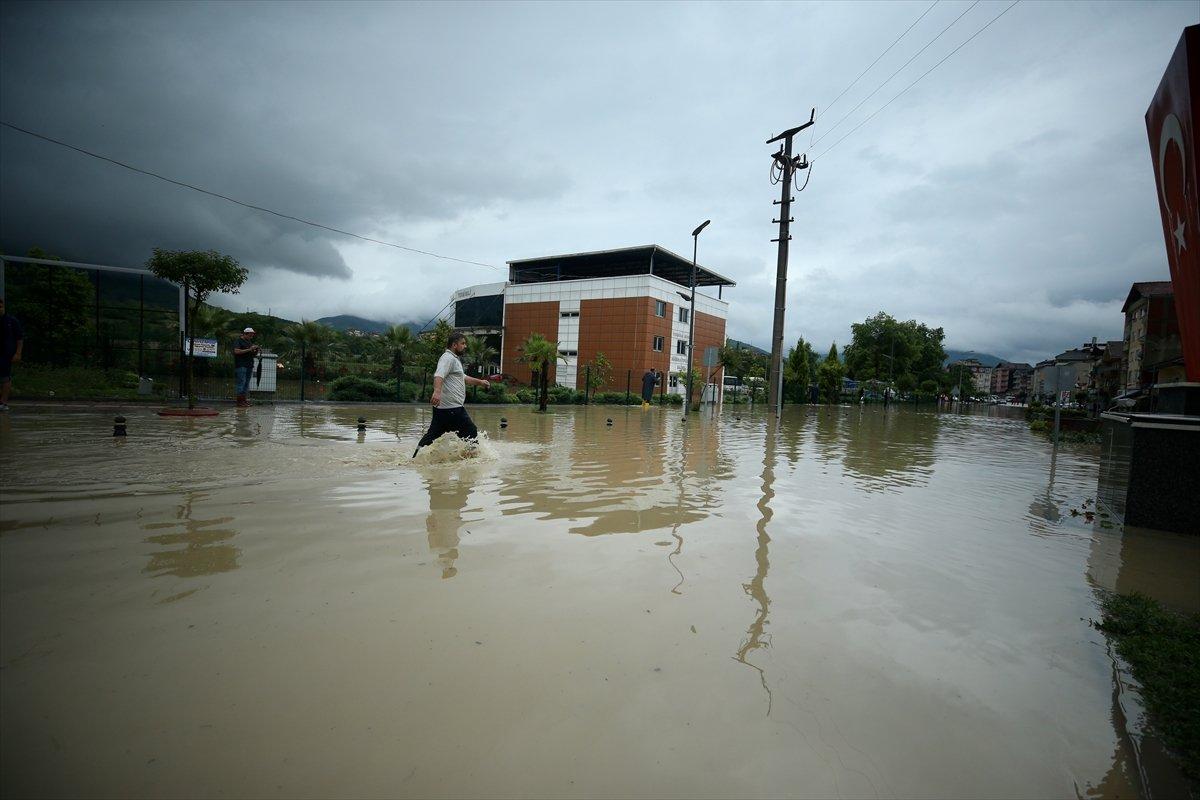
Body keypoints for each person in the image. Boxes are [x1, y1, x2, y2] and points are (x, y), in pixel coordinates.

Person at [414, 332, 490, 455]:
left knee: (432, 436)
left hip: (444, 409)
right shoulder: (447, 358)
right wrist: (437, 392)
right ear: (454, 345)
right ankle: (472, 466)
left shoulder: (453, 359)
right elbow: (439, 375)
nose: (465, 346)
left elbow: (463, 377)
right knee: (471, 432)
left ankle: (415, 458)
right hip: (452, 408)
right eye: (463, 343)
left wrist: (480, 382)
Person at [0, 297, 24, 412]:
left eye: (0, 306)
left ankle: (3, 402)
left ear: (3, 307)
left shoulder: (11, 321)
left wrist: (18, 353)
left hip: (6, 355)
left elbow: (19, 338)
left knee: (5, 378)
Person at [232, 327, 260, 407]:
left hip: (249, 365)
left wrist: (256, 350)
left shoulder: (249, 342)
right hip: (241, 365)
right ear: (245, 334)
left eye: (252, 335)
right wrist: (249, 349)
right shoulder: (238, 341)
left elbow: (252, 354)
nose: (251, 337)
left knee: (246, 384)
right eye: (250, 335)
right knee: (241, 383)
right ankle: (239, 401)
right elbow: (236, 351)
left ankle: (244, 401)